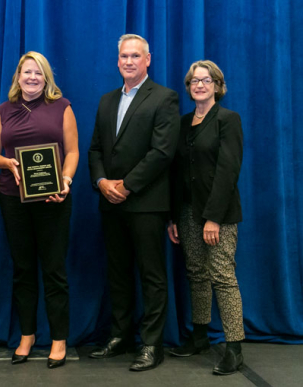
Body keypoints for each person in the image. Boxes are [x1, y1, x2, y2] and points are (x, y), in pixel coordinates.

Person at [88, 34, 180, 371]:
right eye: (124, 56)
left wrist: (127, 185)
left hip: (146, 202)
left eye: (135, 56)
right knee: (118, 272)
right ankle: (121, 335)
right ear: (117, 61)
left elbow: (162, 152)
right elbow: (95, 149)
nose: (129, 61)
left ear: (148, 59)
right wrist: (101, 182)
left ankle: (152, 344)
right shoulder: (107, 100)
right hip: (110, 202)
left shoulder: (165, 98)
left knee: (152, 275)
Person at [0, 51, 79, 369]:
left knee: (54, 270)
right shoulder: (4, 110)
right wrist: (7, 162)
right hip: (13, 199)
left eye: (38, 73)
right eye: (27, 72)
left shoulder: (62, 107)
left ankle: (58, 339)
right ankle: (27, 336)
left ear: (46, 77)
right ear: (18, 77)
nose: (32, 78)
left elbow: (73, 150)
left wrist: (65, 180)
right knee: (23, 270)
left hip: (53, 201)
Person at [167, 60, 245, 375]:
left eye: (206, 79)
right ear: (188, 87)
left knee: (223, 276)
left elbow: (228, 171)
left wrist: (213, 218)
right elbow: (176, 173)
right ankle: (199, 336)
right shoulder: (183, 123)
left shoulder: (228, 120)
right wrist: (173, 217)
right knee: (196, 273)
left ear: (217, 85)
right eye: (194, 80)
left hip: (219, 214)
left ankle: (235, 347)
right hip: (186, 212)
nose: (200, 84)